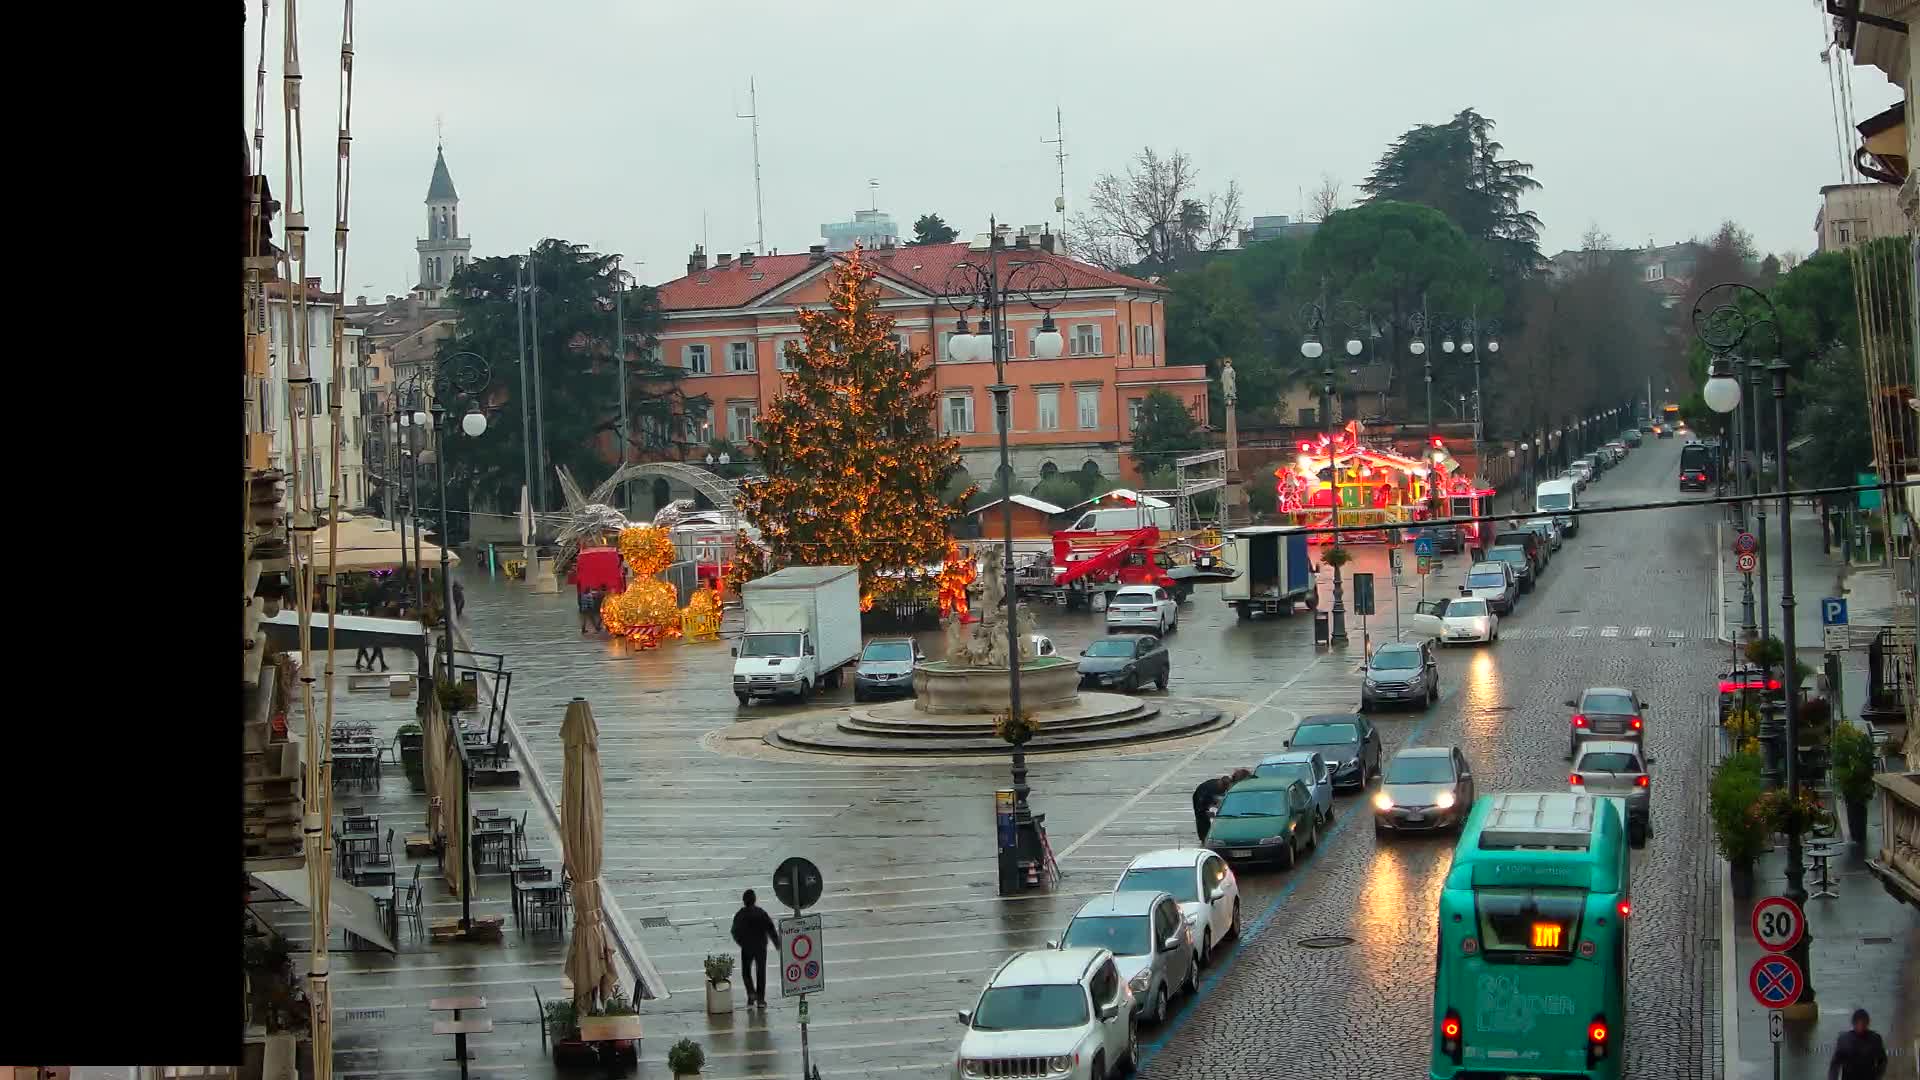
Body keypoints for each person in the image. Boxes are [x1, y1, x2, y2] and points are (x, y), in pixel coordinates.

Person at [730, 889, 780, 1008]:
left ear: (744, 901)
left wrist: (741, 942)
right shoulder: (761, 912)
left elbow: (734, 931)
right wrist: (776, 943)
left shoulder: (740, 914)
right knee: (761, 972)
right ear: (754, 899)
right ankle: (761, 999)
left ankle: (751, 993)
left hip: (747, 947)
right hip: (761, 947)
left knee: (746, 972)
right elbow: (770, 928)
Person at [1828, 1008, 1888, 1080]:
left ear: (1867, 1023)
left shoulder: (1875, 1039)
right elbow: (1835, 1064)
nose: (1860, 1027)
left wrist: (1878, 1075)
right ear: (1853, 1023)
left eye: (1863, 1024)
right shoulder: (1844, 1040)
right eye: (1858, 1024)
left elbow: (1882, 1061)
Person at [1192, 774, 1233, 842]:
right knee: (1202, 817)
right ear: (1221, 784)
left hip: (1210, 798)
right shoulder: (1209, 788)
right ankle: (1203, 837)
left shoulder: (1223, 785)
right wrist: (1205, 811)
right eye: (1224, 788)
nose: (1225, 789)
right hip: (1200, 798)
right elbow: (1201, 803)